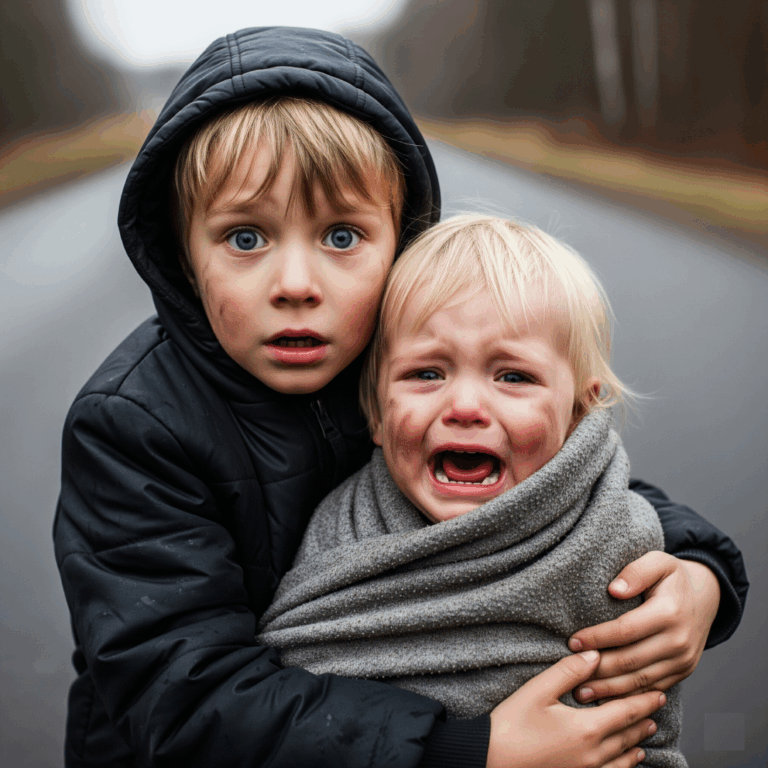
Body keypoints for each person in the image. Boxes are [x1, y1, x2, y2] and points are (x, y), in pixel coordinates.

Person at [53, 27, 748, 768]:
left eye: (343, 236)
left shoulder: (404, 357)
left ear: (401, 241)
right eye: (247, 238)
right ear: (184, 255)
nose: (296, 285)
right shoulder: (132, 427)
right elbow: (185, 701)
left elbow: (557, 473)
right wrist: (464, 750)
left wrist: (701, 571)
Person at [258, 215, 689, 766]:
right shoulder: (342, 524)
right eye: (427, 374)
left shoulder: (615, 541)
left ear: (579, 411)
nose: (464, 407)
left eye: (512, 377)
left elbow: (644, 724)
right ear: (376, 413)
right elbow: (302, 673)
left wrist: (705, 571)